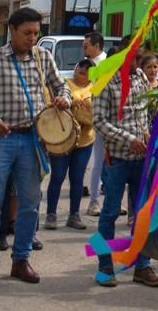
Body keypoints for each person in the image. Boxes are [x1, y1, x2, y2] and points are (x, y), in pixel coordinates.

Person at [0, 7, 71, 288]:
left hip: (32, 140)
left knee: (30, 202)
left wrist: (64, 99)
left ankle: (21, 260)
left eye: (36, 33)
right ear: (11, 30)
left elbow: (62, 87)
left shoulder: (43, 57)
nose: (32, 38)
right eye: (27, 33)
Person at [93, 53, 158, 288]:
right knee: (109, 214)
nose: (137, 63)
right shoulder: (105, 82)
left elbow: (146, 112)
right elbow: (99, 122)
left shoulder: (140, 77)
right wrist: (129, 139)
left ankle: (142, 266)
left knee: (143, 215)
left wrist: (152, 132)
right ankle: (104, 266)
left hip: (142, 160)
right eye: (133, 58)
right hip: (117, 160)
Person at [45, 59, 95, 231]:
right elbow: (50, 104)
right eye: (81, 65)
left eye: (88, 68)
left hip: (85, 141)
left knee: (77, 179)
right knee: (57, 176)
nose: (84, 69)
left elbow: (99, 113)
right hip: (61, 139)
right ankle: (51, 214)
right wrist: (70, 103)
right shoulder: (64, 85)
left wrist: (87, 109)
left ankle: (74, 215)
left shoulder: (96, 89)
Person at [82, 32, 107, 216]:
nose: (84, 49)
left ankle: (109, 200)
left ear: (97, 46)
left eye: (86, 45)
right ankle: (94, 201)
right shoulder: (85, 64)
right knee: (97, 162)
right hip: (94, 118)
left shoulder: (107, 64)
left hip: (108, 117)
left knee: (109, 163)